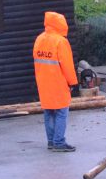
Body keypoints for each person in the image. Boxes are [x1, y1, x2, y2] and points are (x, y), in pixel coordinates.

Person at [33, 11, 78, 152]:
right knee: (61, 112)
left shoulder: (39, 39)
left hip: (43, 82)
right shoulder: (61, 41)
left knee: (49, 112)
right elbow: (67, 65)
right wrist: (73, 82)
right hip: (58, 82)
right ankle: (59, 142)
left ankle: (51, 141)